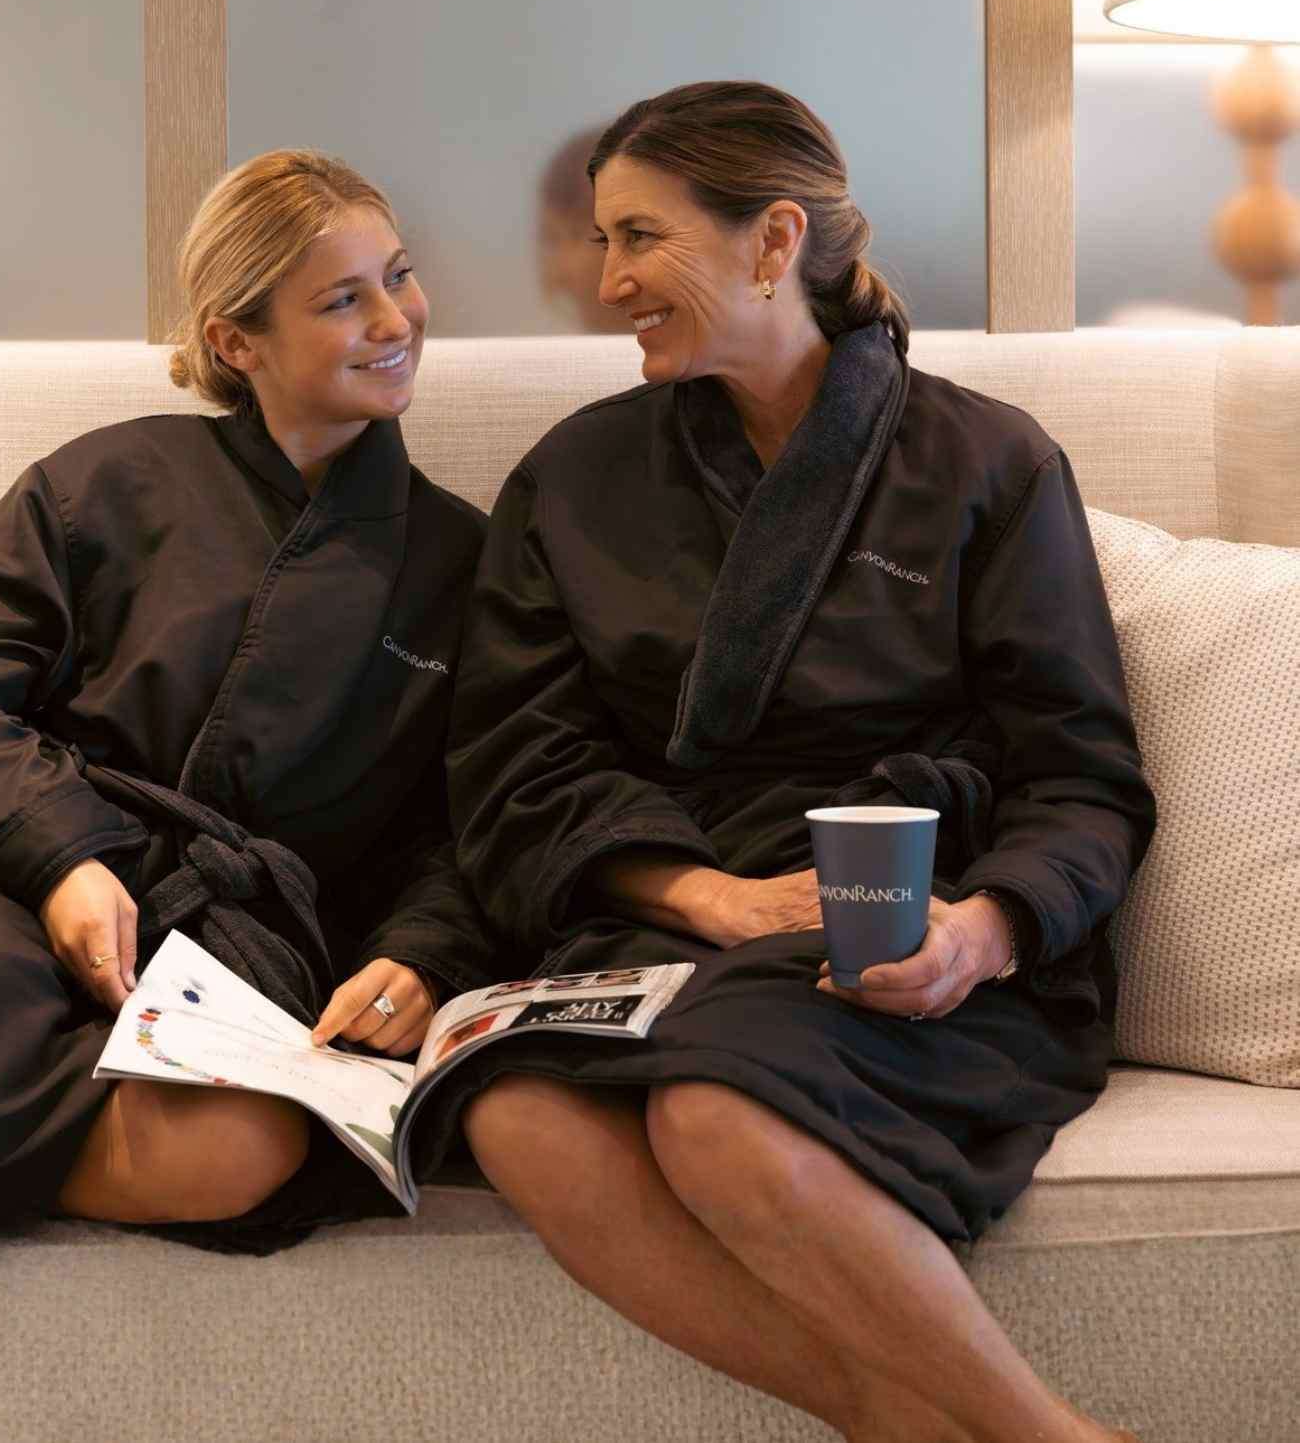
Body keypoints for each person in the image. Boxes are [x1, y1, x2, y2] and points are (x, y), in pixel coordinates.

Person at [422, 83, 1152, 1443]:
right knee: (515, 1110)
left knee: (714, 1111)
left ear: (772, 239)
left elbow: (1083, 775)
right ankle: (903, 1422)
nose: (607, 280)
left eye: (640, 237)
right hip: (677, 912)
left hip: (913, 922)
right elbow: (517, 766)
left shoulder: (985, 461)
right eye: (602, 239)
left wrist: (986, 931)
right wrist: (712, 897)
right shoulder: (575, 478)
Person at [0, 149, 492, 1402]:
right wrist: (61, 857)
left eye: (398, 278)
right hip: (8, 878)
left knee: (242, 1144)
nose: (397, 321)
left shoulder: (464, 560)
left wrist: (423, 951)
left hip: (236, 936)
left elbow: (463, 821)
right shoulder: (102, 483)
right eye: (343, 300)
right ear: (237, 340)